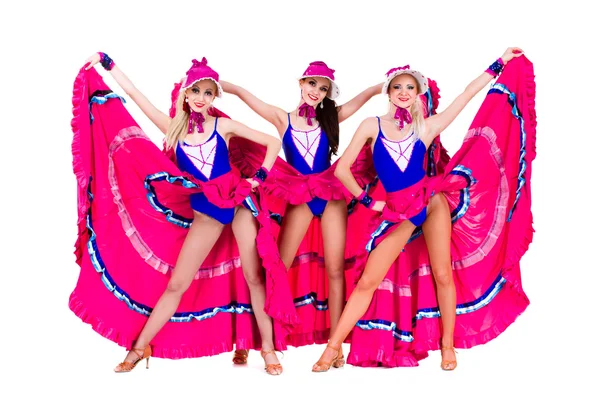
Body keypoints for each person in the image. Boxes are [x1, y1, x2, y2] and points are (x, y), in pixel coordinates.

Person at [312, 47, 534, 371]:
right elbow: (343, 169)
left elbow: (465, 96)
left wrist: (498, 63)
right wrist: (369, 200)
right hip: (397, 213)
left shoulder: (426, 127)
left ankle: (447, 345)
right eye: (398, 87)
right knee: (367, 282)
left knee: (443, 274)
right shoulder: (371, 126)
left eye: (410, 88)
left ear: (418, 93)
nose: (404, 93)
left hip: (430, 204)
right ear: (388, 91)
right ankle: (332, 348)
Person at [74, 53, 294, 375]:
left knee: (252, 276)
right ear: (186, 94)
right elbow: (136, 97)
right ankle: (139, 347)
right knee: (178, 284)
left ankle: (269, 350)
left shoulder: (224, 125)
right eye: (196, 91)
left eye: (208, 93)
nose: (202, 99)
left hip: (239, 203)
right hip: (206, 212)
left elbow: (272, 142)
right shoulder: (173, 130)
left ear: (213, 96)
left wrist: (256, 178)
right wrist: (108, 65)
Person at [222, 61, 381, 365]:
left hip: (330, 193)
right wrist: (220, 85)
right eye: (313, 85)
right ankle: (254, 337)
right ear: (301, 83)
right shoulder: (282, 118)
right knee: (277, 266)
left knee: (334, 270)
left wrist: (380, 88)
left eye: (323, 89)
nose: (316, 92)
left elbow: (364, 99)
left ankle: (336, 344)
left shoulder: (330, 117)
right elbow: (245, 95)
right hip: (298, 194)